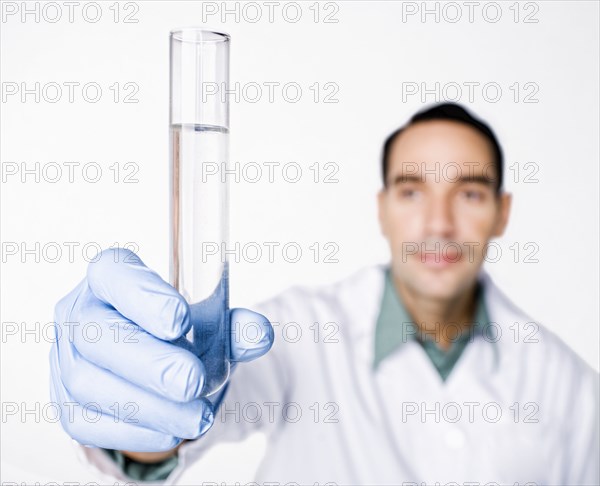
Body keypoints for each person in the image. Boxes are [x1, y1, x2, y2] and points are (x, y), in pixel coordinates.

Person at [50, 103, 599, 485]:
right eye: (412, 191)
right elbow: (193, 412)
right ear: (381, 206)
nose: (438, 223)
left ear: (502, 213)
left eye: (470, 193)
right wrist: (141, 411)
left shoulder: (572, 391)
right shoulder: (301, 334)